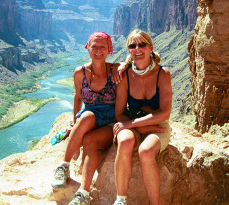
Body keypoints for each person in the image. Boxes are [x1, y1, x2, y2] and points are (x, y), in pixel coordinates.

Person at [52, 31, 120, 205]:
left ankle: (83, 193)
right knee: (87, 117)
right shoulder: (80, 73)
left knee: (89, 140)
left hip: (111, 121)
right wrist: (74, 125)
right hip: (90, 118)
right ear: (87, 48)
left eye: (102, 47)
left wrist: (125, 65)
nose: (98, 50)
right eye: (94, 46)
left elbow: (134, 65)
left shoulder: (115, 70)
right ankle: (64, 166)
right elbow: (77, 98)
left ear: (109, 49)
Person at [112, 29, 172, 205]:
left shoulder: (163, 74)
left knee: (145, 151)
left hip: (157, 125)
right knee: (124, 142)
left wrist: (135, 124)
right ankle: (120, 200)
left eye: (142, 44)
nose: (137, 49)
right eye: (132, 45)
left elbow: (165, 113)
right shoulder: (124, 76)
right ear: (129, 51)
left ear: (151, 47)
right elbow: (119, 113)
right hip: (130, 121)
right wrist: (138, 127)